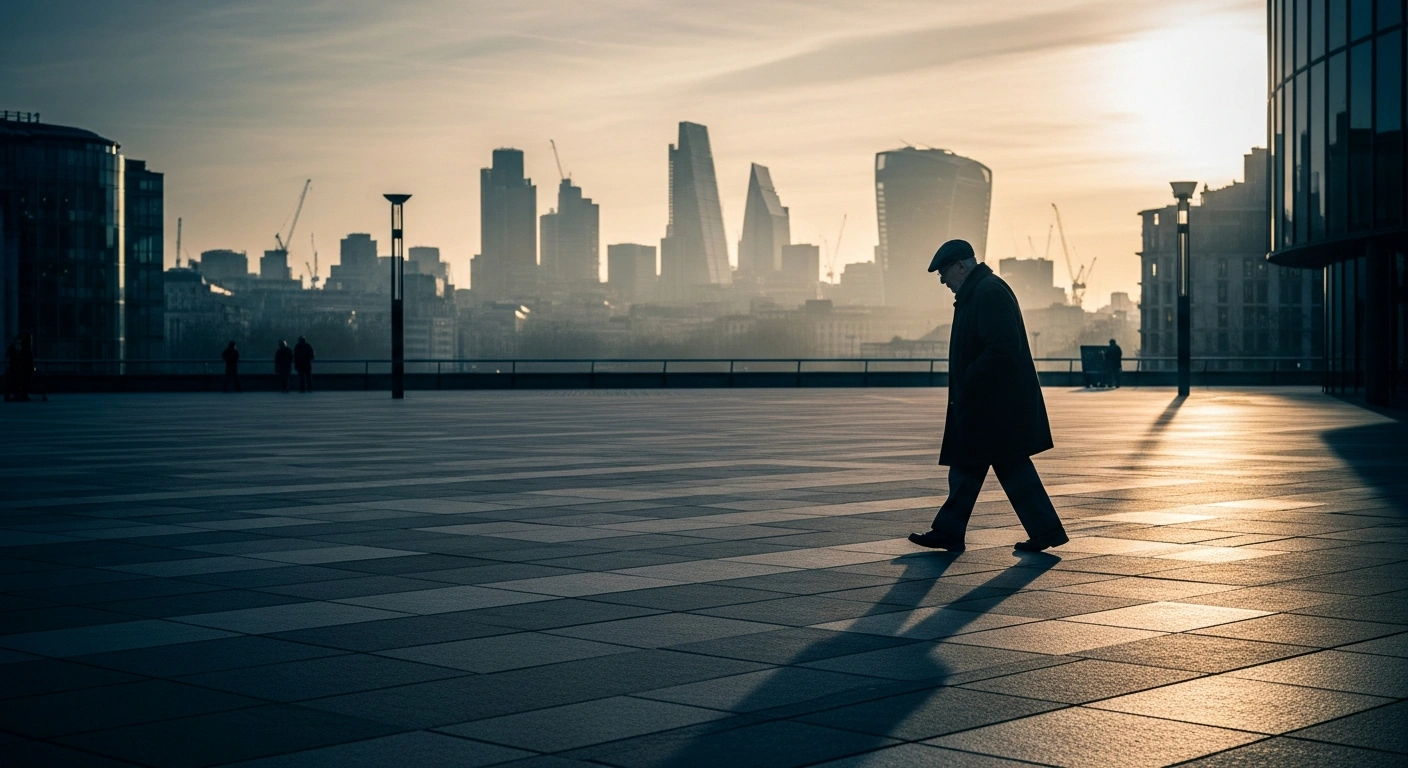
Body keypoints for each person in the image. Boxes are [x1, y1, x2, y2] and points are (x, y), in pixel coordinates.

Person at [909, 239, 1069, 553]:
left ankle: (952, 532)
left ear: (961, 266)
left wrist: (970, 378)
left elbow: (1005, 348)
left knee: (985, 466)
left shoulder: (988, 293)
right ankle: (955, 531)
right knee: (980, 467)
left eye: (944, 273)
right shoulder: (979, 291)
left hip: (993, 407)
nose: (943, 280)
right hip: (990, 406)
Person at [4, 333, 34, 402]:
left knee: (15, 382)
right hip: (19, 367)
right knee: (19, 382)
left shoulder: (16, 347)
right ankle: (20, 395)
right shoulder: (23, 348)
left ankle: (17, 395)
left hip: (17, 367)